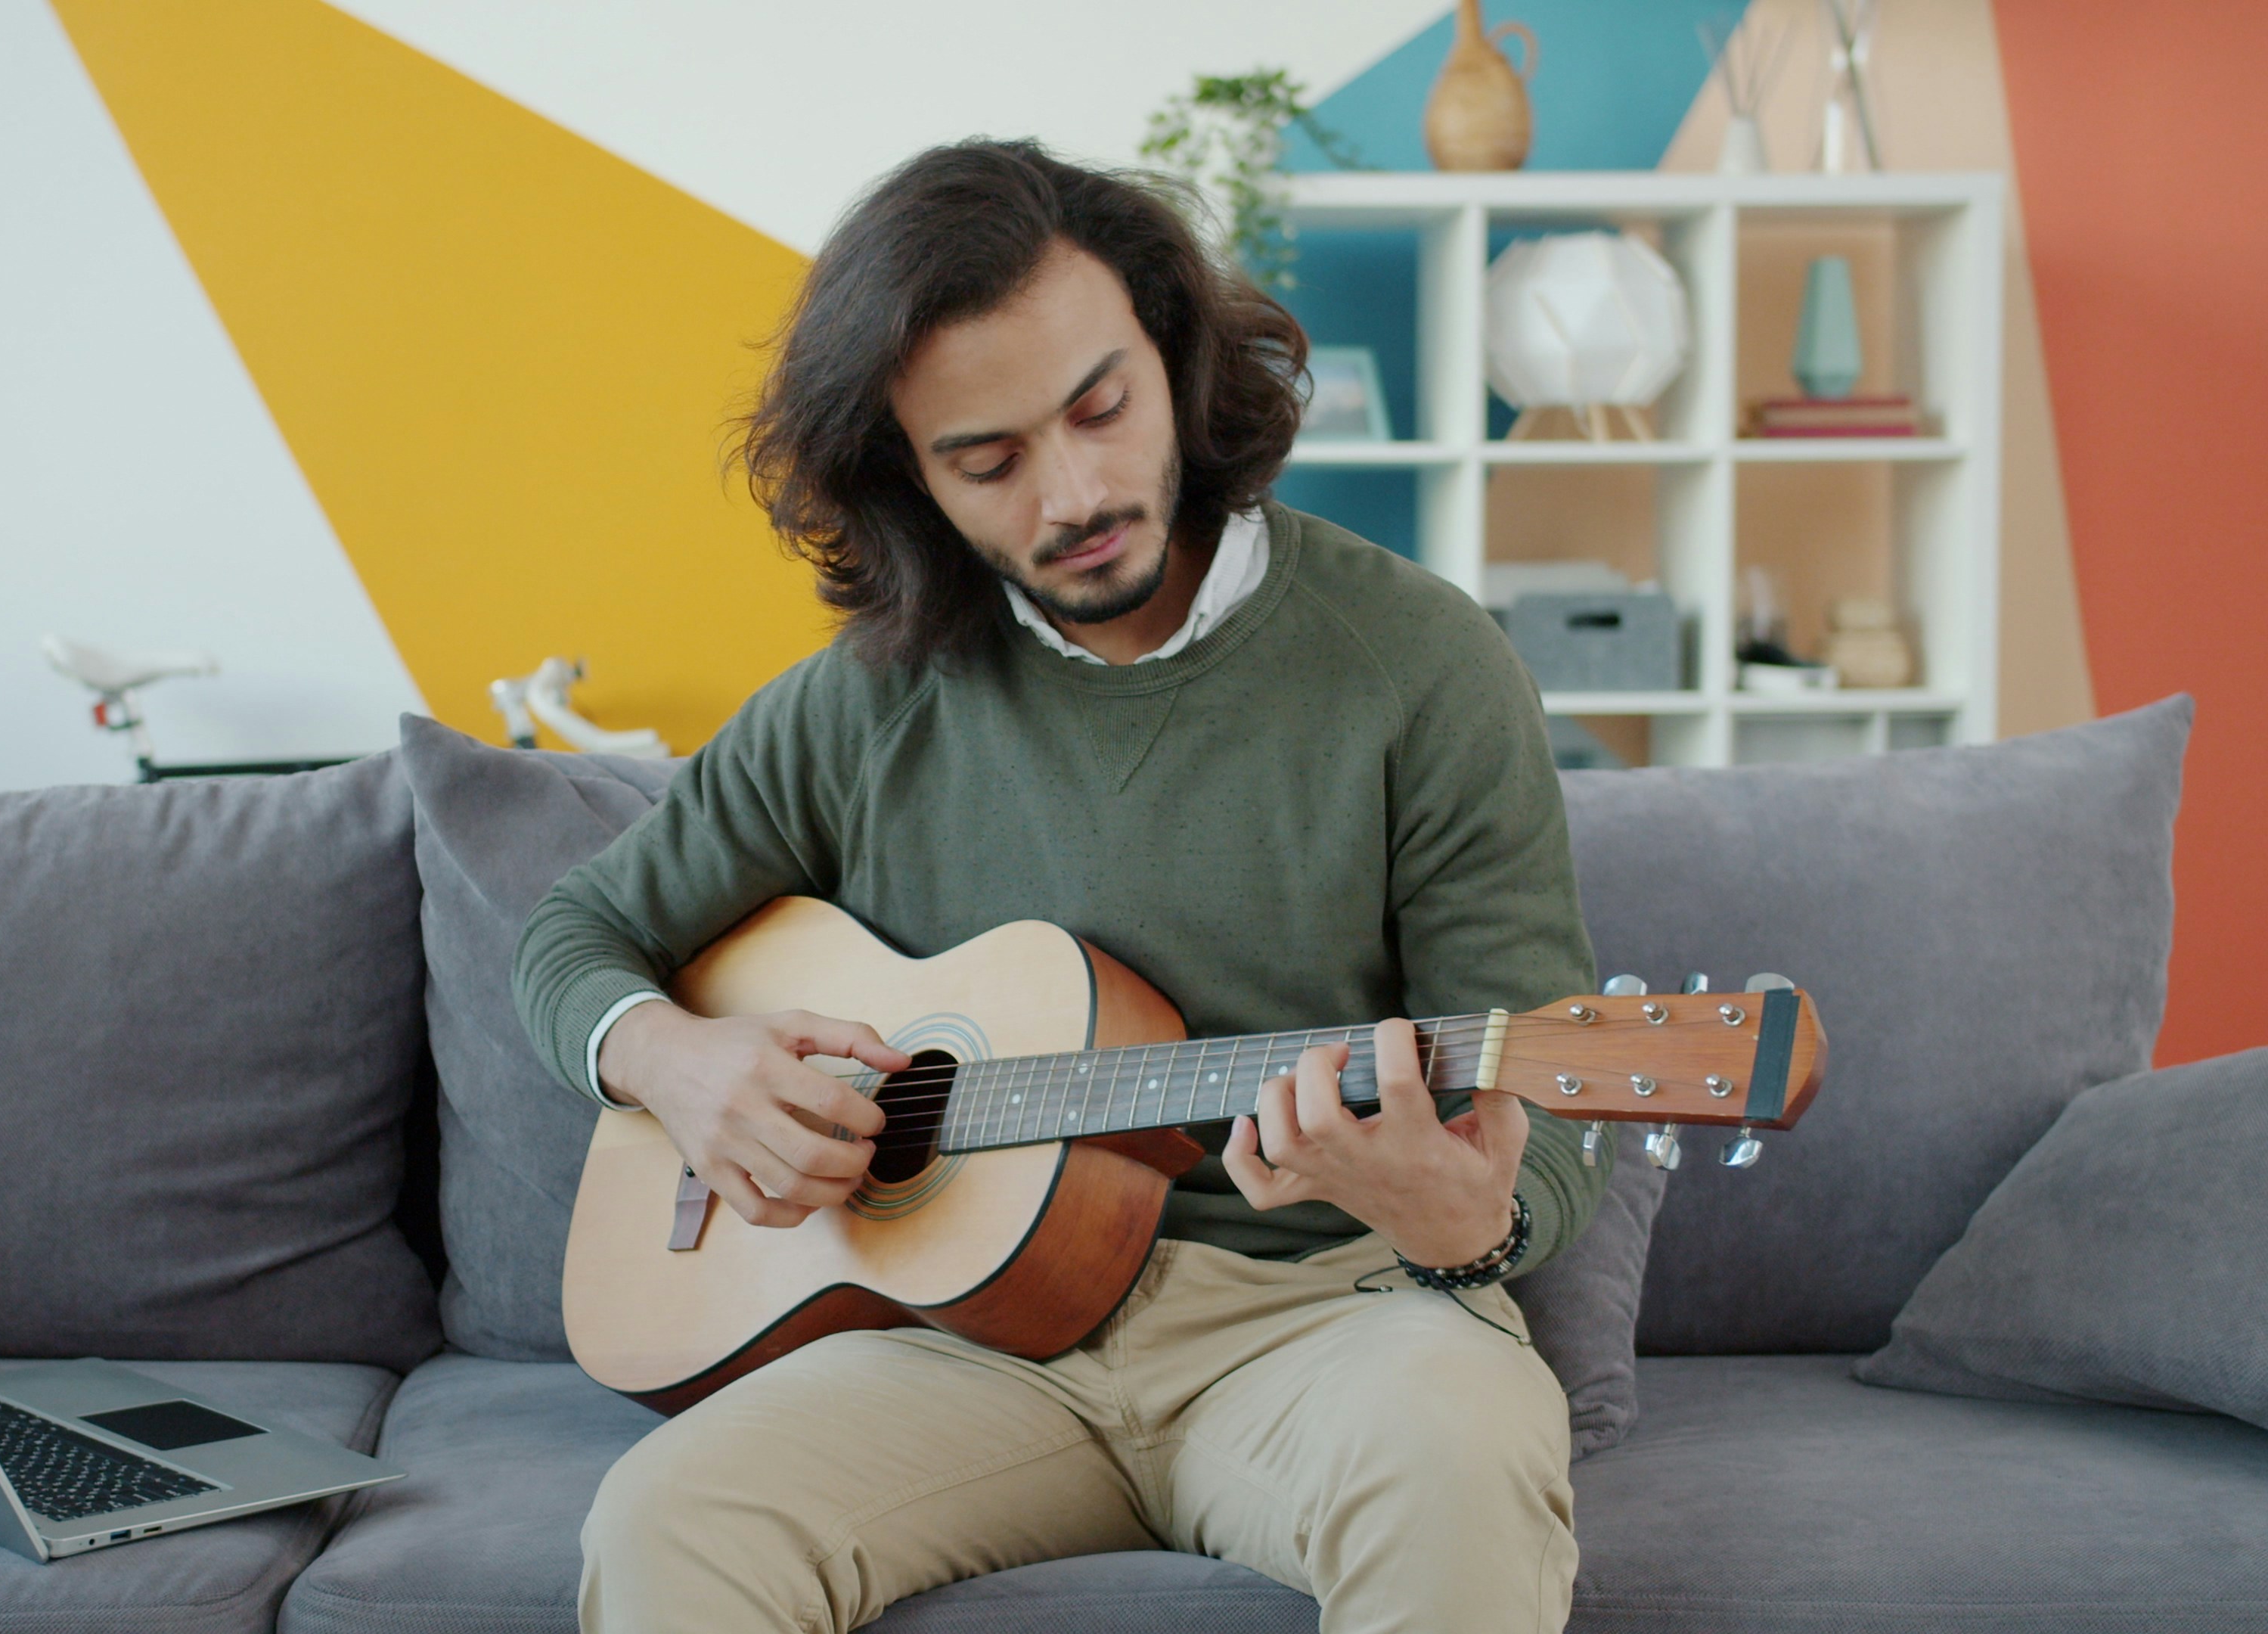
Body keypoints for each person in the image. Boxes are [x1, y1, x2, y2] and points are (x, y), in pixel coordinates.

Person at [512, 138, 1603, 1634]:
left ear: (1174, 356)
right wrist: (679, 1062)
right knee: (670, 1524)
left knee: (1460, 1457)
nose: (1076, 491)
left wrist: (1457, 1219)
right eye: (990, 459)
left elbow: (1543, 1131)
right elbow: (575, 940)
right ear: (910, 477)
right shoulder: (863, 702)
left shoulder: (1421, 665)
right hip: (949, 1345)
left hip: (1327, 1322)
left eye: (1102, 408)